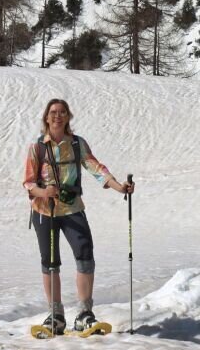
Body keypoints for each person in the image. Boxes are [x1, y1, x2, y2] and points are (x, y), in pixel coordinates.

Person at [23, 98, 134, 334]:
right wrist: (45, 192)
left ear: (68, 117)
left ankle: (85, 313)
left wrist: (120, 187)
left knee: (85, 254)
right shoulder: (37, 148)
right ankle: (56, 315)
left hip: (72, 207)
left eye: (62, 112)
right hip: (44, 210)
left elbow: (96, 167)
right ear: (46, 117)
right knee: (50, 262)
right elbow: (29, 182)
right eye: (53, 112)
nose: (58, 116)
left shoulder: (76, 144)